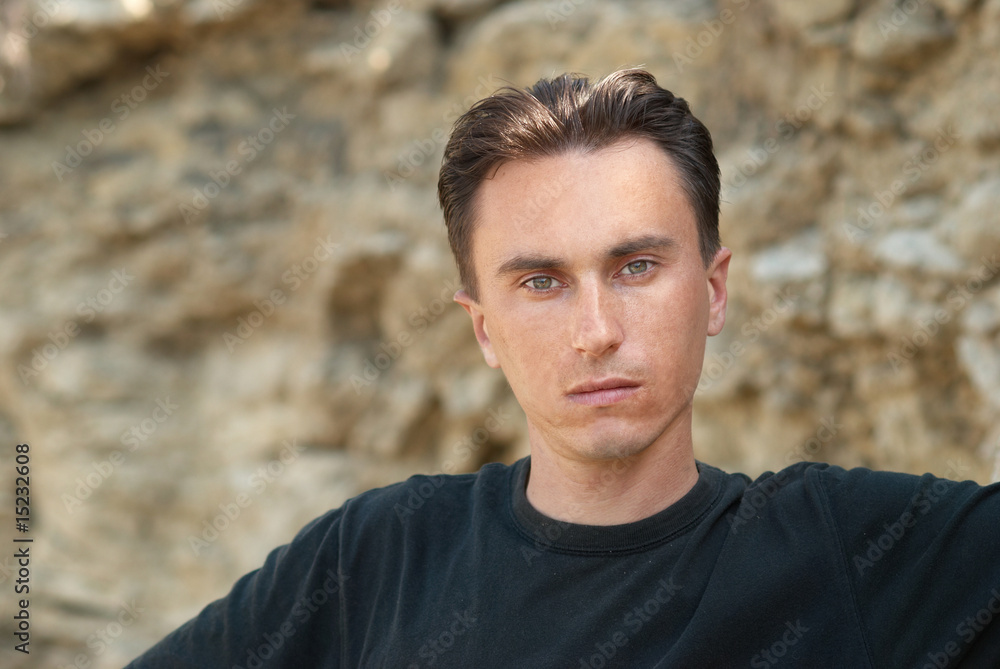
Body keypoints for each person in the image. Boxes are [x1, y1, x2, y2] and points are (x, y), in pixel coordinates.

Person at [126, 68, 1000, 668]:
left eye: (636, 267)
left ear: (713, 289)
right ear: (483, 328)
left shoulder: (851, 549)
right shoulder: (376, 560)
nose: (596, 331)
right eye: (540, 282)